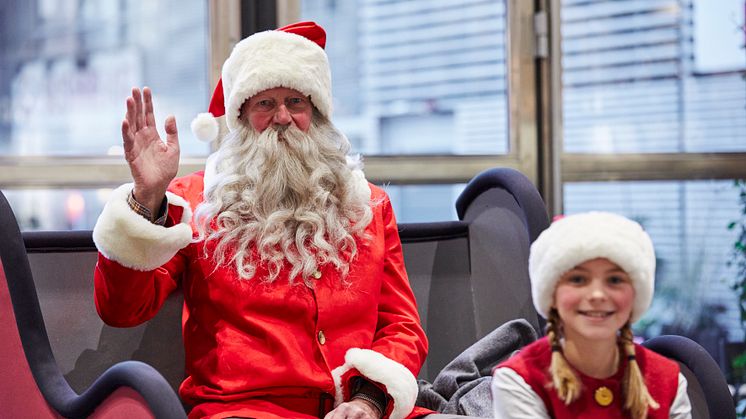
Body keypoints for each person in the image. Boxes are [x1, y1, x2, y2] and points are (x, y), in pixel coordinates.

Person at [91, 21, 430, 419]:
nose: (282, 117)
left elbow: (401, 326)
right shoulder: (196, 203)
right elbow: (122, 309)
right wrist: (146, 198)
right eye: (265, 104)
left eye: (296, 102)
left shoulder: (367, 205)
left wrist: (368, 400)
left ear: (316, 114)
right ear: (241, 117)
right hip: (246, 411)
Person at [491, 212, 692, 419]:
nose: (597, 295)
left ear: (635, 294)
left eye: (614, 280)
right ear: (552, 294)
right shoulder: (519, 380)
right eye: (578, 279)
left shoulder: (669, 379)